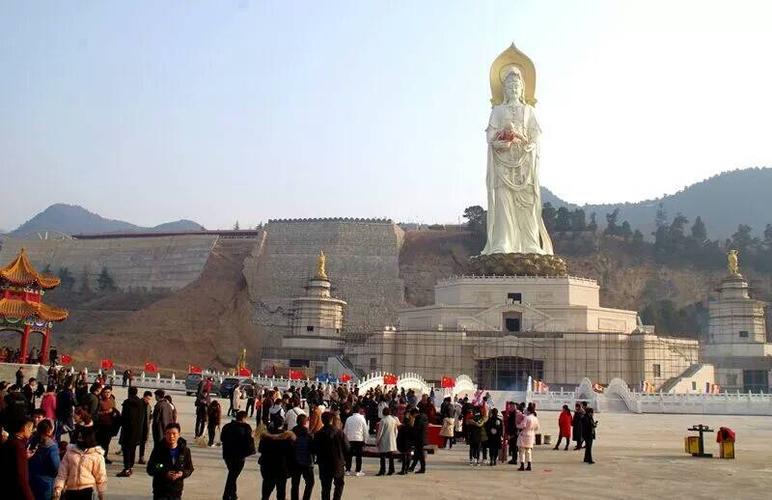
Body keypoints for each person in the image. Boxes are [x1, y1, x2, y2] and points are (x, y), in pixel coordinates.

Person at [54, 423, 107, 500]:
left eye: (82, 438)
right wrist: (58, 488)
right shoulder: (70, 452)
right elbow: (62, 473)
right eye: (79, 437)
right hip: (70, 490)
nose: (80, 439)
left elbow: (101, 475)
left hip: (87, 490)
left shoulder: (96, 455)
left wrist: (101, 493)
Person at [147, 423, 194, 500]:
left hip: (176, 491)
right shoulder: (158, 450)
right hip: (160, 491)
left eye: (174, 434)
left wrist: (182, 474)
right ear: (165, 435)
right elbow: (151, 467)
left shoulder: (185, 451)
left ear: (179, 435)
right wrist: (164, 471)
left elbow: (189, 468)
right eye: (168, 433)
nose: (171, 436)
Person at [220, 410, 255, 500]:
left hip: (227, 454)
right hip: (239, 456)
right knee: (232, 475)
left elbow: (222, 438)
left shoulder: (227, 426)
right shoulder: (246, 428)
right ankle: (226, 495)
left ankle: (233, 494)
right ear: (243, 418)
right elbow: (249, 442)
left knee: (232, 474)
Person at [314, 412, 349, 500]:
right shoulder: (339, 433)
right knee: (339, 484)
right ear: (332, 420)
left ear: (322, 420)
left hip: (324, 463)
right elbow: (347, 448)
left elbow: (314, 449)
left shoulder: (318, 434)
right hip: (338, 462)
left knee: (325, 487)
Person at [0, 416, 35, 500]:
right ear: (25, 427)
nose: (32, 431)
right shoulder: (19, 446)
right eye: (31, 428)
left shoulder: (10, 441)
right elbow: (22, 477)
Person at [258, 416, 293, 500]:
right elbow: (290, 452)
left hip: (267, 465)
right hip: (281, 466)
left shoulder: (266, 436)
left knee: (266, 490)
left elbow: (260, 449)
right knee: (281, 491)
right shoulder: (287, 436)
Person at [29, 419, 61, 500]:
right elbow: (55, 466)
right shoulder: (52, 446)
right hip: (46, 482)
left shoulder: (33, 440)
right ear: (49, 431)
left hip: (32, 478)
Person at [117, 386, 145, 477]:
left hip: (127, 431)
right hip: (137, 431)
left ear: (129, 392)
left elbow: (124, 418)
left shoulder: (127, 402)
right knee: (132, 450)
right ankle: (130, 467)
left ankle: (126, 468)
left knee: (126, 450)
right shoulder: (141, 403)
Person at [290, 414, 315, 500]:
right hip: (307, 461)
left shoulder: (292, 432)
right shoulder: (308, 433)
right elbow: (313, 448)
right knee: (310, 482)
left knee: (295, 484)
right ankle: (306, 498)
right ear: (305, 422)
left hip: (294, 461)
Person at [95, 385, 118, 464]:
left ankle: (105, 456)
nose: (107, 394)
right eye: (105, 392)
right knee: (100, 442)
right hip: (101, 425)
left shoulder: (112, 400)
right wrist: (106, 412)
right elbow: (96, 413)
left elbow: (114, 409)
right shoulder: (99, 401)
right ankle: (99, 457)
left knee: (107, 442)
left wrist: (115, 414)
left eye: (109, 392)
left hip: (110, 424)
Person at [342, 404, 367, 476]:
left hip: (350, 439)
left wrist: (345, 439)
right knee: (358, 456)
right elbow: (365, 430)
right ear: (359, 411)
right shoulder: (362, 419)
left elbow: (345, 430)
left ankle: (347, 470)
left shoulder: (349, 419)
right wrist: (365, 440)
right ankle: (358, 470)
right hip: (359, 439)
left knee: (349, 456)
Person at [516, 403, 540, 471]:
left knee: (522, 451)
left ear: (529, 411)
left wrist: (517, 425)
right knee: (529, 451)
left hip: (524, 434)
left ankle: (522, 465)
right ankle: (529, 465)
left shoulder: (527, 417)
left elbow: (522, 425)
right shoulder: (535, 418)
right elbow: (537, 427)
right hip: (531, 435)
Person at [375, 407, 399, 476]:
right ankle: (391, 470)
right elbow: (396, 431)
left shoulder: (383, 420)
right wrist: (394, 438)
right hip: (391, 440)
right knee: (391, 456)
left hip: (384, 440)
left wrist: (377, 441)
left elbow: (380, 432)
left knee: (382, 457)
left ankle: (382, 470)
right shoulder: (393, 420)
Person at [409, 408, 427, 473]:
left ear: (414, 413)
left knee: (420, 454)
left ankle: (423, 468)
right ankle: (412, 467)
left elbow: (416, 429)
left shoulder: (418, 418)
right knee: (417, 453)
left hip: (419, 438)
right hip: (423, 437)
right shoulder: (424, 416)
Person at [139, 391, 153, 464]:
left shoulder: (148, 406)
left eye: (149, 399)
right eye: (147, 398)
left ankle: (141, 457)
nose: (148, 400)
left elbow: (149, 415)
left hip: (145, 428)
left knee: (143, 444)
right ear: (144, 396)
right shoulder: (138, 404)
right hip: (138, 428)